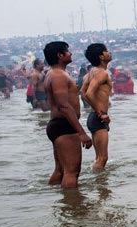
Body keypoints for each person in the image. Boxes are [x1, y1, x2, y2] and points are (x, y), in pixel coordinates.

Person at [42, 41, 93, 188]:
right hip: (64, 126)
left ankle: (57, 202)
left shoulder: (54, 74)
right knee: (72, 172)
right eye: (68, 51)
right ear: (60, 55)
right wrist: (82, 132)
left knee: (60, 170)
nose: (71, 54)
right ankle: (72, 207)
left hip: (58, 125)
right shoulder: (58, 76)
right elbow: (64, 106)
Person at [80, 43, 113, 171]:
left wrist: (96, 110)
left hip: (93, 117)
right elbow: (88, 93)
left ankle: (99, 185)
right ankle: (101, 189)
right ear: (101, 56)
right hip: (98, 117)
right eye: (106, 51)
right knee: (103, 158)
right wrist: (101, 112)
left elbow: (82, 92)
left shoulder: (91, 72)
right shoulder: (101, 73)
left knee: (99, 158)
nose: (109, 52)